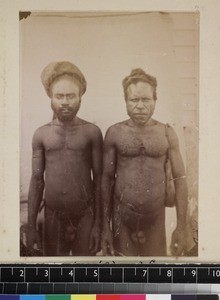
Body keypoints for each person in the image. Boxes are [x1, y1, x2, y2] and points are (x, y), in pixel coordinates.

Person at [101, 68, 188, 256]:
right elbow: (105, 180)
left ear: (155, 100)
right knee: (123, 275)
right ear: (126, 101)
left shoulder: (166, 133)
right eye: (134, 100)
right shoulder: (114, 133)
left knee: (154, 273)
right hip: (122, 220)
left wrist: (182, 227)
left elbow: (180, 179)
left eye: (146, 100)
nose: (140, 106)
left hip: (155, 220)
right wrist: (104, 228)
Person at [26, 61, 102, 256]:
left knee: (84, 272)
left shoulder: (91, 133)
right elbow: (36, 181)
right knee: (54, 271)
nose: (65, 102)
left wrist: (98, 225)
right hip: (53, 216)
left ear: (80, 98)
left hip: (85, 216)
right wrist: (31, 225)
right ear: (51, 98)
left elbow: (100, 181)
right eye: (59, 96)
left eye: (71, 96)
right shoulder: (41, 135)